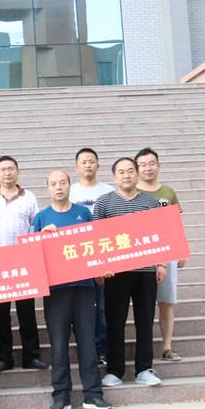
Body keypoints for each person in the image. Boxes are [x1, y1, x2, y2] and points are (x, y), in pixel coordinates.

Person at [33, 171, 111, 409]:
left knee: (87, 343)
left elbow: (96, 244)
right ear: (48, 188)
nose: (58, 187)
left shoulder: (83, 213)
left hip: (84, 288)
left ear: (69, 185)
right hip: (56, 291)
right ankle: (61, 396)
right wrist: (40, 238)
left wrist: (102, 268)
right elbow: (31, 254)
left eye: (62, 182)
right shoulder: (41, 217)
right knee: (58, 345)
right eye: (53, 183)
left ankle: (93, 394)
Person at [94, 158, 166, 387]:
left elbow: (160, 234)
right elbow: (95, 238)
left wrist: (161, 264)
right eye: (121, 172)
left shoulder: (151, 203)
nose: (126, 175)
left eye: (130, 171)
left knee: (145, 320)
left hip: (146, 271)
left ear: (137, 174)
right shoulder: (103, 203)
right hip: (116, 272)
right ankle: (115, 371)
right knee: (115, 321)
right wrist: (100, 267)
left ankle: (144, 369)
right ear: (114, 176)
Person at [0, 155, 47, 372]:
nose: (7, 173)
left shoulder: (29, 197)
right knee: (0, 314)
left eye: (11, 169)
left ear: (17, 172)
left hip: (23, 260)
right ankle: (4, 358)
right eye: (3, 169)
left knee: (27, 312)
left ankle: (31, 356)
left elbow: (35, 226)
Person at [135, 147, 185, 362]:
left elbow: (176, 223)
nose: (148, 168)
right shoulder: (132, 191)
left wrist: (181, 249)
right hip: (140, 251)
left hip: (167, 250)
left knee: (166, 301)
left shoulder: (168, 192)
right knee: (141, 302)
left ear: (158, 165)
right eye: (143, 164)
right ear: (137, 169)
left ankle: (167, 347)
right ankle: (143, 347)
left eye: (151, 163)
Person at [69, 147, 115, 366]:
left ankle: (103, 349)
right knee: (83, 307)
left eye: (91, 161)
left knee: (102, 306)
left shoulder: (108, 191)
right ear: (76, 167)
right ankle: (86, 349)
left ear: (98, 165)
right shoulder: (70, 191)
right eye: (83, 162)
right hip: (77, 257)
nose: (88, 165)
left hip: (104, 254)